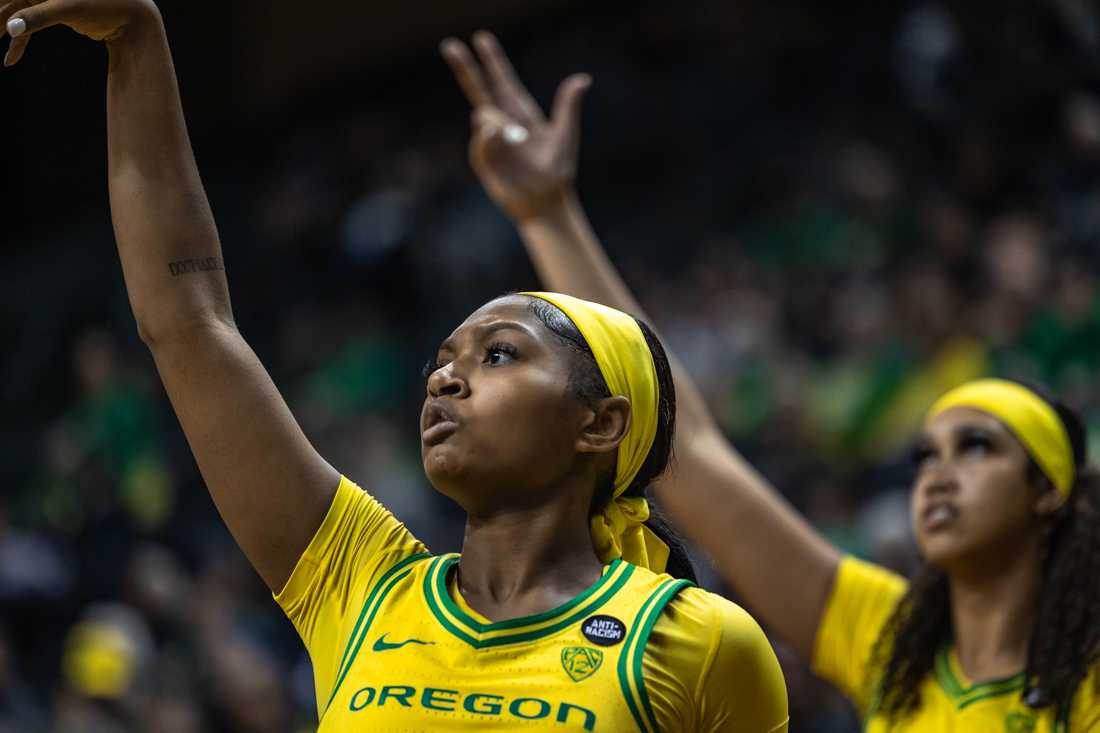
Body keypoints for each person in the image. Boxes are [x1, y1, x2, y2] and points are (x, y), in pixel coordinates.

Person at [3, 2, 789, 731]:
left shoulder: (702, 644)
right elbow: (187, 321)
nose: (444, 378)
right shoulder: (367, 586)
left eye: (499, 354)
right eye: (441, 360)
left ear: (601, 421)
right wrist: (136, 37)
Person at [440, 31, 1100, 732]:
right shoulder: (888, 639)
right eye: (925, 455)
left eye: (976, 447)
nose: (936, 475)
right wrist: (548, 217)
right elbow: (682, 444)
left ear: (1049, 491)